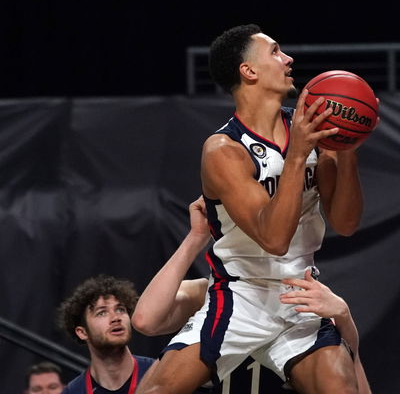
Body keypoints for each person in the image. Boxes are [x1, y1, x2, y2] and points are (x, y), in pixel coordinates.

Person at [136, 23, 366, 394]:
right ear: (249, 71)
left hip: (299, 294)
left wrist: (348, 151)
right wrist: (297, 155)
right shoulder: (223, 150)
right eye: (275, 51)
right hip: (240, 295)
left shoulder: (309, 128)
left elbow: (346, 222)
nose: (288, 58)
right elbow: (273, 239)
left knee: (342, 386)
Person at [132, 197, 372, 394]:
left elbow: (359, 387)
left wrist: (343, 314)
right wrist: (196, 237)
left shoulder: (312, 304)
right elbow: (145, 320)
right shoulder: (206, 295)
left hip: (295, 314)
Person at [57, 275, 155, 393]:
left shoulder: (158, 372)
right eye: (102, 313)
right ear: (82, 332)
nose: (116, 318)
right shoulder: (73, 391)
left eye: (120, 310)